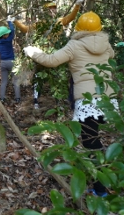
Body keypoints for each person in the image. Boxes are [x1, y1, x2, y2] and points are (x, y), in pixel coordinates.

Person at [23, 11, 117, 197]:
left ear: (79, 29)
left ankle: (100, 188)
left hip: (88, 100)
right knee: (94, 137)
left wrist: (32, 51)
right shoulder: (106, 45)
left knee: (91, 141)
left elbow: (51, 61)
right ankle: (104, 176)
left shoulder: (75, 44)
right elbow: (112, 56)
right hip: (107, 99)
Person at [10, 0, 87, 109]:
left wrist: (77, 4)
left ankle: (58, 103)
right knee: (39, 77)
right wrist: (15, 21)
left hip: (55, 53)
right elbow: (26, 29)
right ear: (46, 11)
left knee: (56, 78)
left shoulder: (60, 22)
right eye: (50, 9)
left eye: (54, 8)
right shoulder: (40, 23)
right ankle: (36, 101)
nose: (53, 10)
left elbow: (71, 17)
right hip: (42, 53)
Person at [0, 20, 21, 104]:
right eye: (6, 34)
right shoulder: (9, 40)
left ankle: (1, 98)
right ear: (4, 35)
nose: (8, 34)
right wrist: (9, 22)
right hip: (12, 62)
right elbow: (12, 31)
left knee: (4, 82)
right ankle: (17, 98)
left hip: (3, 63)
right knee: (16, 81)